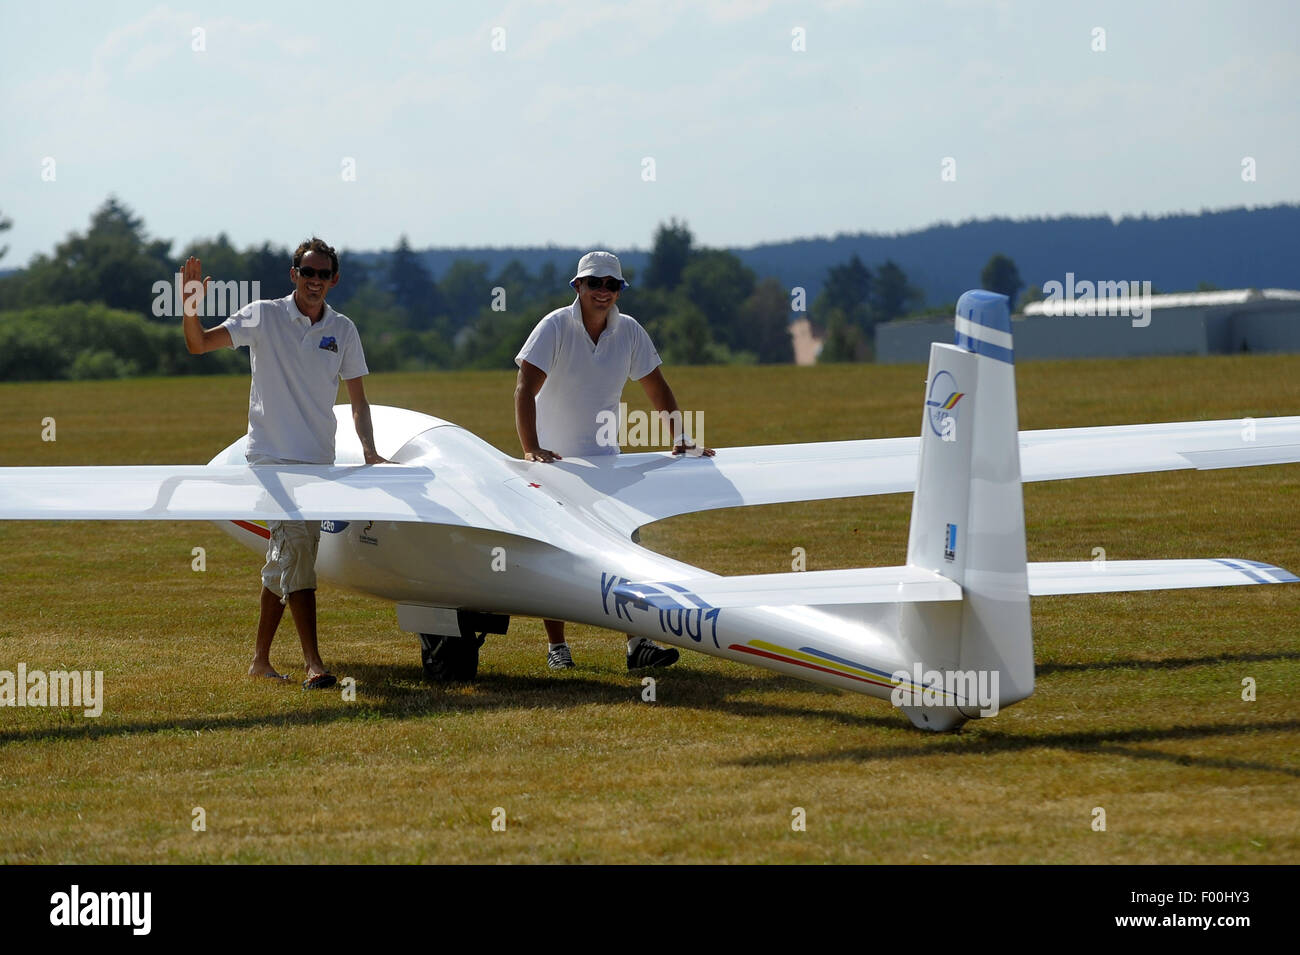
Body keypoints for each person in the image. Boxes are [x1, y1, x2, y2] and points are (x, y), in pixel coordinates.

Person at [181, 237, 387, 689]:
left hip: (317, 461)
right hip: (270, 460)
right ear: (293, 275)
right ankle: (315, 664)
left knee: (286, 557)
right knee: (299, 552)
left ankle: (260, 661)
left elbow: (358, 400)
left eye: (323, 274)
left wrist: (369, 450)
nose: (315, 281)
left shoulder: (343, 329)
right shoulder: (263, 315)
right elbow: (198, 345)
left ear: (334, 280)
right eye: (307, 272)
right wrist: (191, 306)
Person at [514, 250, 714, 671]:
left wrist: (680, 437)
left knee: (626, 551)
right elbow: (524, 389)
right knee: (554, 553)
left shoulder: (630, 331)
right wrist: (532, 448)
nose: (603, 291)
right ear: (578, 286)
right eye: (594, 283)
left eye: (612, 284)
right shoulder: (554, 326)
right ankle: (557, 647)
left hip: (607, 463)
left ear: (620, 290)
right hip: (554, 464)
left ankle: (638, 644)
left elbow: (656, 386)